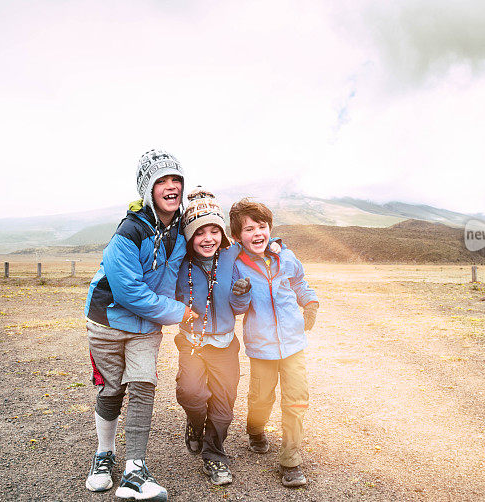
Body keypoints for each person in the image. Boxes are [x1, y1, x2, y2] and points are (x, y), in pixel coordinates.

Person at [83, 149, 198, 501]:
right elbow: (128, 291)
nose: (170, 187)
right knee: (113, 389)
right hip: (108, 321)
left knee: (144, 384)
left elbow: (212, 241)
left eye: (175, 179)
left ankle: (135, 469)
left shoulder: (181, 228)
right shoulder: (130, 231)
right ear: (148, 189)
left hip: (147, 325)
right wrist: (178, 312)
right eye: (161, 181)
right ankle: (104, 455)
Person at [229, 198, 320, 488]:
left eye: (262, 226)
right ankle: (255, 429)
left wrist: (311, 303)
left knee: (296, 400)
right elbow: (237, 306)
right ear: (237, 236)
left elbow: (300, 283)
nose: (257, 233)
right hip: (262, 346)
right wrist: (240, 293)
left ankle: (290, 461)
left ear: (270, 228)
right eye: (248, 229)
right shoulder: (237, 265)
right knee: (261, 398)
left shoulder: (287, 257)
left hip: (293, 343)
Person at [174, 188, 242, 486]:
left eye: (215, 230)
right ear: (189, 236)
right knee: (191, 393)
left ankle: (214, 455)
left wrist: (278, 246)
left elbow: (259, 242)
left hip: (225, 344)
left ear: (223, 235)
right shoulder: (179, 263)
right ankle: (195, 422)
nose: (208, 238)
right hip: (192, 343)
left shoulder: (231, 255)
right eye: (200, 231)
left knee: (224, 405)